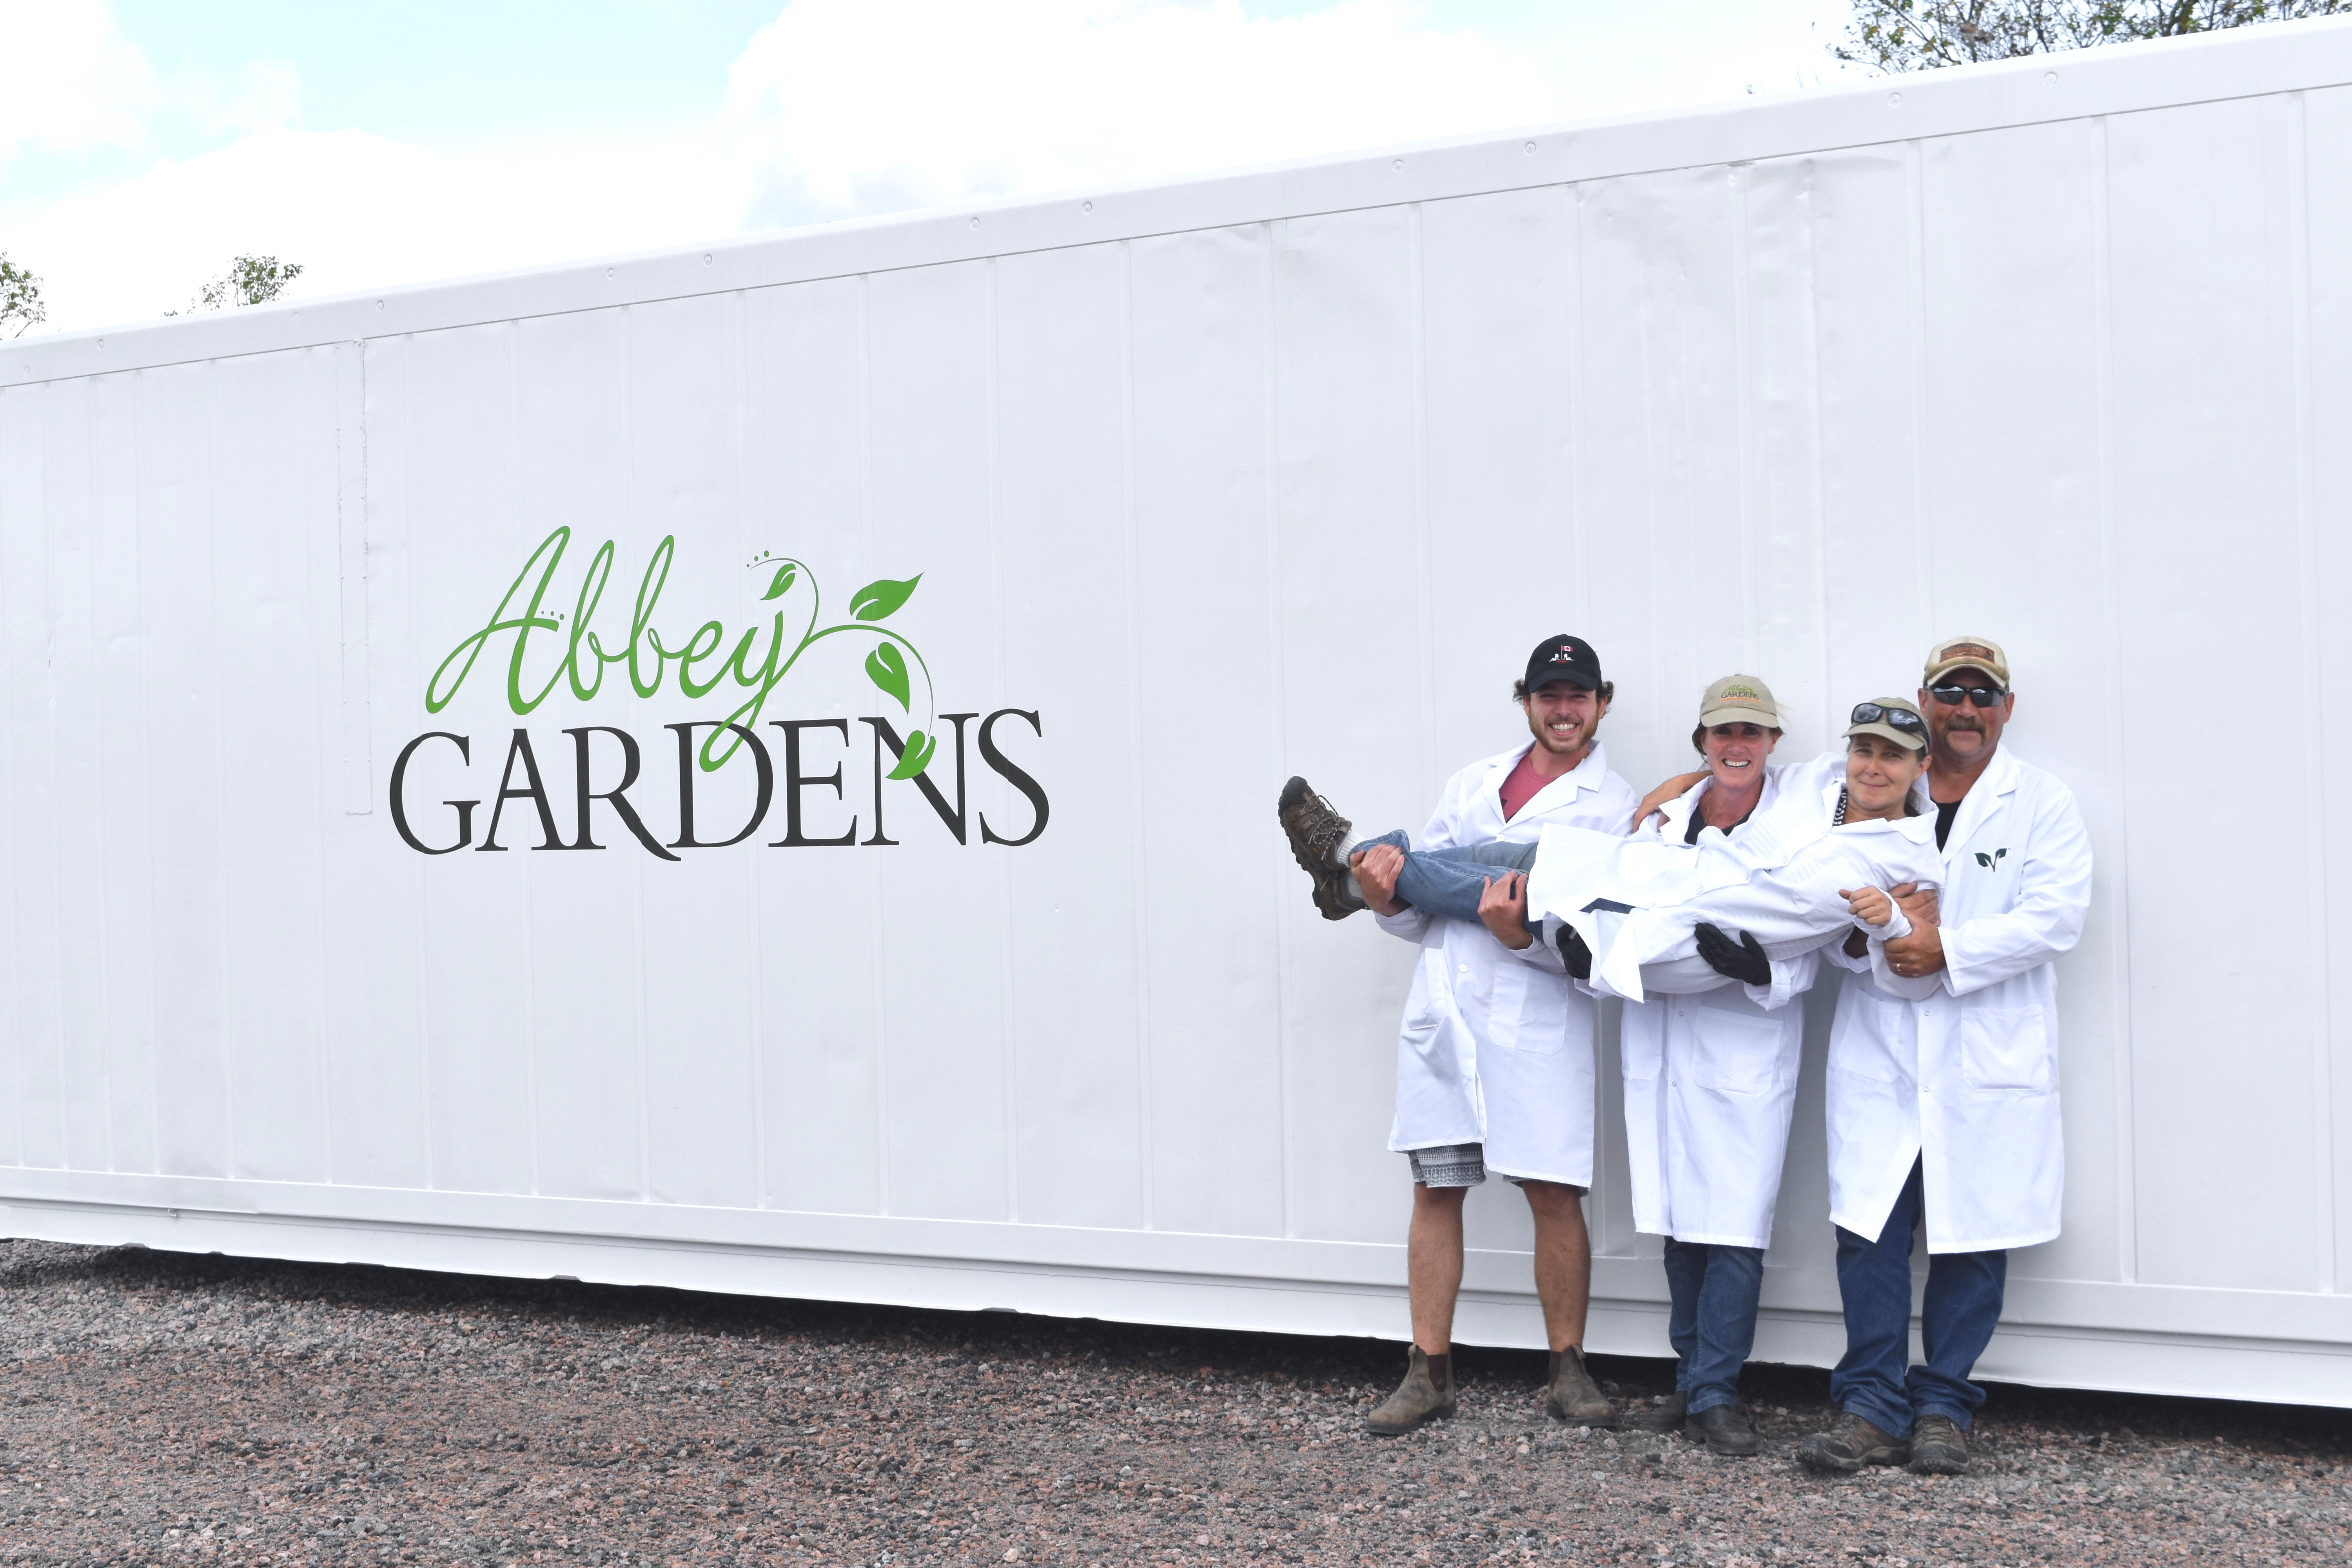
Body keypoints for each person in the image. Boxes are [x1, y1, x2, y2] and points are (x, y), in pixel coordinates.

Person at [1277, 634, 1637, 1435]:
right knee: (1437, 1186)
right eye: (1550, 694)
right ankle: (1428, 1370)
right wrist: (1388, 898)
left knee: (1553, 1190)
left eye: (1579, 695)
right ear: (1528, 701)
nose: (1565, 708)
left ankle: (1568, 1369)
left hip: (1537, 1011)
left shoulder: (1616, 805)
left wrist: (1515, 934)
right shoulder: (1472, 780)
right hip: (1450, 1011)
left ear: (1601, 703)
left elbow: (1589, 925)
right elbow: (1417, 916)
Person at [1793, 636, 2092, 1479]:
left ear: (2005, 707)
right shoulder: (1872, 783)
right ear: (1925, 701)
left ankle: (1944, 1407)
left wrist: (1946, 949)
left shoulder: (2040, 802)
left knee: (1972, 1235)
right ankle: (1870, 1406)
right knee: (1872, 1236)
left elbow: (2057, 914)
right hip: (1882, 1052)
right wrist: (1873, 942)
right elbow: (1811, 892)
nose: (1967, 707)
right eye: (1950, 691)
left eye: (1983, 694)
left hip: (1983, 1053)